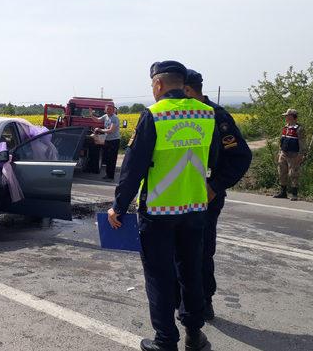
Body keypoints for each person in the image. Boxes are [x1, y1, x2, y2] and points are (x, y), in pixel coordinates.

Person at [107, 61, 217, 351]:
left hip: (158, 210)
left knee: (159, 274)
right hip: (194, 208)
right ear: (182, 83)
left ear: (158, 85)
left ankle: (166, 340)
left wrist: (118, 206)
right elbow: (214, 157)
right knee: (191, 271)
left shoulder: (154, 115)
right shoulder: (207, 114)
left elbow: (134, 166)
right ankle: (195, 335)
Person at [183, 69, 252, 320]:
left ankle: (203, 301)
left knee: (201, 249)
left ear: (188, 90)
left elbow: (240, 157)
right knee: (176, 249)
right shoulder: (176, 116)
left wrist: (215, 187)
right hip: (177, 196)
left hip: (206, 196)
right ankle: (183, 300)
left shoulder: (217, 117)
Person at [273, 109, 305, 201]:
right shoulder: (285, 127)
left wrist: (301, 154)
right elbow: (281, 141)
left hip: (294, 154)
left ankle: (294, 194)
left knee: (293, 174)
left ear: (292, 116)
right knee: (281, 172)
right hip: (283, 153)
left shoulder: (299, 128)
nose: (285, 117)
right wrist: (279, 152)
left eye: (287, 116)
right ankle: (283, 192)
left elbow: (302, 142)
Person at [90, 104, 121, 180]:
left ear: (113, 110)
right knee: (107, 158)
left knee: (112, 159)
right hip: (107, 140)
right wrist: (91, 115)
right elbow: (97, 120)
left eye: (110, 109)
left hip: (114, 141)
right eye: (107, 109)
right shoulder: (105, 116)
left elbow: (111, 130)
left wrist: (100, 130)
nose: (109, 110)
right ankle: (108, 175)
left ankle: (110, 177)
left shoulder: (114, 118)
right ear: (105, 110)